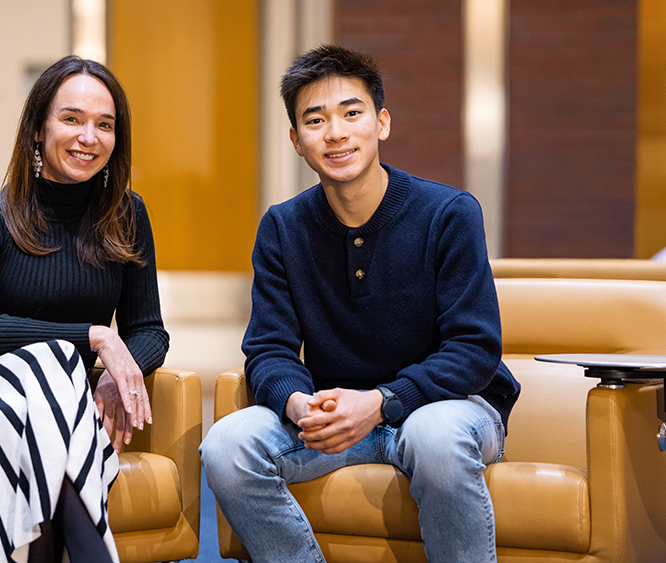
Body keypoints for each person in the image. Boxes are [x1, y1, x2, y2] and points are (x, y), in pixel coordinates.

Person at [200, 44, 520, 563]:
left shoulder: (449, 213)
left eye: (352, 113)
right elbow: (268, 349)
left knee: (436, 439)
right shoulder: (283, 228)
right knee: (226, 446)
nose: (336, 132)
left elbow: (475, 348)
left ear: (382, 122)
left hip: (447, 408)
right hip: (337, 416)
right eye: (315, 120)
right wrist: (298, 404)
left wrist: (379, 402)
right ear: (296, 140)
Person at [0, 55, 168, 563]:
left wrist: (114, 373)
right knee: (53, 360)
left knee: (56, 376)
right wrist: (95, 339)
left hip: (56, 404)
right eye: (71, 119)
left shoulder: (128, 215)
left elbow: (150, 330)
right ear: (37, 131)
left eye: (104, 125)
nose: (89, 136)